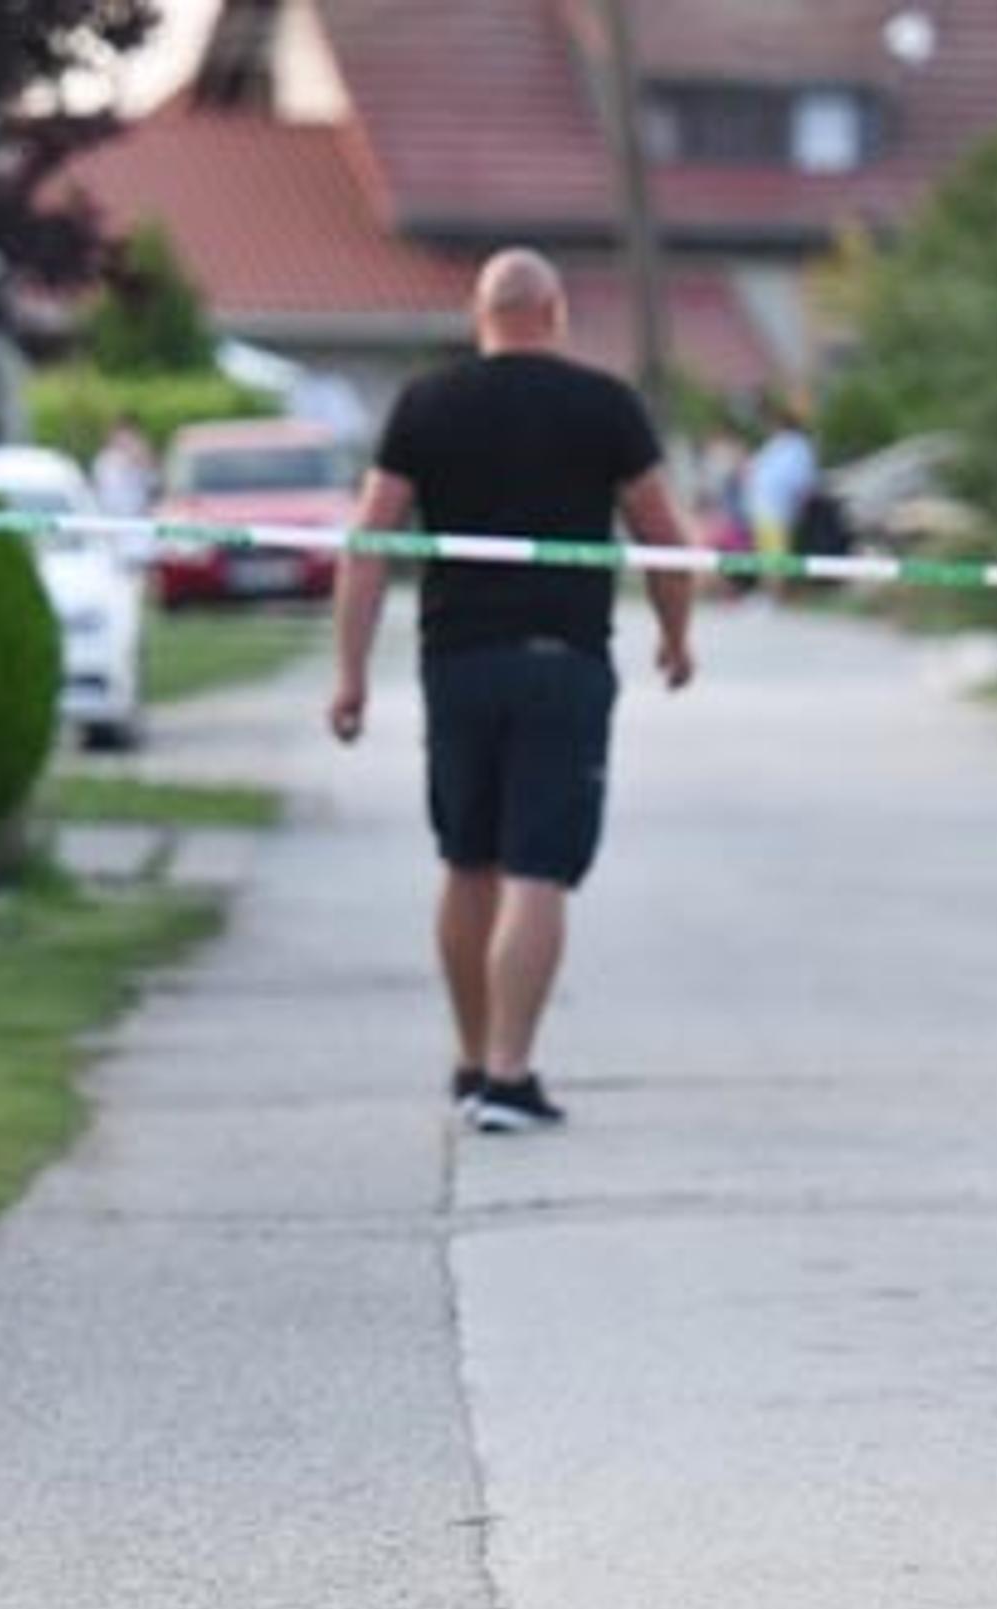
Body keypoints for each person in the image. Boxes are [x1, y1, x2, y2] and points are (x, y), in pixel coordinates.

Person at [325, 249, 695, 1134]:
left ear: (477, 313)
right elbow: (661, 538)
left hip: (457, 662)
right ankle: (508, 1074)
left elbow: (367, 543)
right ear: (554, 311)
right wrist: (674, 636)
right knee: (536, 869)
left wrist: (350, 674)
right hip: (563, 662)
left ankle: (470, 1058)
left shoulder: (426, 404)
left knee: (467, 861)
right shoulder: (604, 405)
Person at [744, 399, 820, 578]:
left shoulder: (796, 446)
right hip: (765, 506)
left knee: (776, 559)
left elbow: (803, 481)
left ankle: (776, 589)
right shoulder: (778, 444)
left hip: (777, 508)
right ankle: (772, 588)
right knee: (768, 557)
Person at [91, 414, 158, 519]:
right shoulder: (104, 459)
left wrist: (143, 460)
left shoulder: (142, 457)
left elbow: (154, 484)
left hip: (137, 514)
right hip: (109, 515)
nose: (124, 439)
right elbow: (99, 488)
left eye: (129, 435)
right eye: (121, 435)